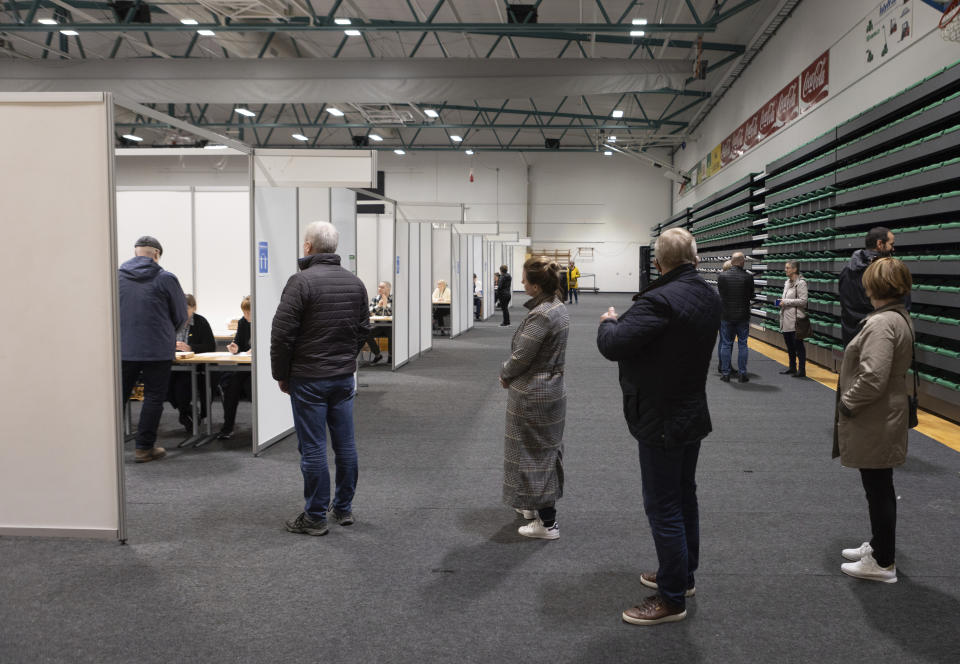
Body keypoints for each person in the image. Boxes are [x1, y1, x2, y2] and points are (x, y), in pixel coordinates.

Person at [596, 227, 721, 626]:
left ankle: (670, 599)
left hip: (661, 415)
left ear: (659, 262)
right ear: (695, 257)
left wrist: (607, 321)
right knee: (684, 498)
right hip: (690, 410)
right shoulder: (707, 294)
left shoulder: (659, 300)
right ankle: (681, 577)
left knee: (663, 506)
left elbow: (613, 345)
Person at [271, 221, 370, 537]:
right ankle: (342, 509)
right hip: (342, 377)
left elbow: (282, 335)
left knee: (312, 447)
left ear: (308, 247)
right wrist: (346, 356)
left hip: (309, 378)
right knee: (345, 444)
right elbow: (365, 329)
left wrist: (281, 374)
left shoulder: (300, 283)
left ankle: (315, 516)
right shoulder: (355, 283)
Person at [833, 258, 914, 584]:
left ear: (873, 287)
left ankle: (882, 563)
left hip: (876, 415)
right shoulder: (896, 317)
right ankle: (880, 547)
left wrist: (847, 404)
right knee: (878, 487)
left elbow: (873, 377)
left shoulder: (882, 324)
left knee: (878, 488)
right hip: (883, 413)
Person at [499, 256, 569, 540]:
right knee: (538, 450)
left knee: (535, 455)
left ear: (536, 285)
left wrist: (505, 373)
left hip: (534, 394)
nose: (522, 283)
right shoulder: (557, 307)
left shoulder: (542, 315)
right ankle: (532, 505)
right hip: (549, 389)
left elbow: (522, 356)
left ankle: (548, 522)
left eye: (525, 279)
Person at [118, 236, 188, 463]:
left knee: (117, 398)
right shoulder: (165, 278)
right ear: (157, 254)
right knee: (153, 398)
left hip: (123, 348)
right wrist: (167, 333)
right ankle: (143, 448)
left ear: (135, 252)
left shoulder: (117, 276)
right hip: (156, 349)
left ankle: (106, 446)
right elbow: (180, 315)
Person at [839, 227, 896, 347]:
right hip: (875, 339)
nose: (893, 248)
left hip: (850, 337)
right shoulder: (885, 273)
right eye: (891, 244)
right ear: (880, 244)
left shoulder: (845, 271)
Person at [168, 293, 215, 433]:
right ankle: (187, 412)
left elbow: (210, 346)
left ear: (194, 308)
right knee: (165, 388)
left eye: (186, 308)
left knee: (182, 389)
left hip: (196, 367)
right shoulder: (172, 322)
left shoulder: (201, 322)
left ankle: (186, 415)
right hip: (174, 365)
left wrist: (190, 348)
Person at [217, 296, 252, 439]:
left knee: (251, 389)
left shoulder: (266, 320)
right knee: (230, 387)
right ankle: (228, 427)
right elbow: (238, 343)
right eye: (244, 312)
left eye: (249, 313)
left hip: (261, 368)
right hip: (244, 365)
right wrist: (234, 348)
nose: (246, 316)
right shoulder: (243, 322)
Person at [717, 252, 755, 383]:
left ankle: (725, 373)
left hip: (726, 315)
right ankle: (742, 374)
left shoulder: (722, 276)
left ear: (732, 262)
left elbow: (722, 294)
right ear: (742, 262)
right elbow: (751, 296)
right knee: (743, 344)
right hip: (743, 315)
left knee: (726, 344)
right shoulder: (748, 277)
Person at [779, 261, 808, 378]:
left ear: (795, 269)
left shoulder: (801, 283)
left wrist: (786, 302)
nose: (785, 270)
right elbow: (785, 298)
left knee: (798, 345)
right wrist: (780, 302)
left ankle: (802, 370)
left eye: (787, 268)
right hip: (785, 318)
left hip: (796, 320)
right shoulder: (787, 282)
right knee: (789, 345)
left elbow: (803, 301)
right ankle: (792, 367)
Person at [365, 281, 392, 364]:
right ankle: (377, 354)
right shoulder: (375, 299)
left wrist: (385, 305)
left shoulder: (393, 299)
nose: (379, 289)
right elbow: (368, 313)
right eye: (379, 287)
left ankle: (391, 356)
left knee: (393, 333)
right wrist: (378, 306)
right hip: (378, 326)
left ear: (388, 289)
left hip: (389, 326)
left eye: (382, 287)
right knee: (366, 333)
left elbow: (392, 313)